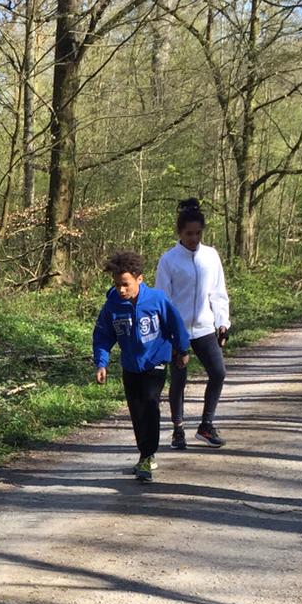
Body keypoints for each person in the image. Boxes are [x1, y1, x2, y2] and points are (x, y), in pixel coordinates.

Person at [92, 250, 192, 482]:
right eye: (117, 284)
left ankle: (147, 456)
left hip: (156, 361)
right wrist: (101, 363)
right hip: (130, 366)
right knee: (137, 411)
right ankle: (145, 453)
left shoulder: (157, 299)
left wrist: (182, 350)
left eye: (125, 284)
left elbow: (175, 324)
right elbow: (103, 336)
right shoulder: (112, 306)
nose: (121, 289)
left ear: (139, 279)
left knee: (150, 403)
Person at [154, 198, 231, 450]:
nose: (194, 238)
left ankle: (206, 425)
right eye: (189, 234)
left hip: (205, 327)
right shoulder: (169, 260)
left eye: (198, 233)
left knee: (218, 373)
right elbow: (163, 300)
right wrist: (169, 333)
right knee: (179, 380)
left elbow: (218, 292)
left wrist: (222, 322)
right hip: (178, 331)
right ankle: (178, 430)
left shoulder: (211, 256)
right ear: (179, 232)